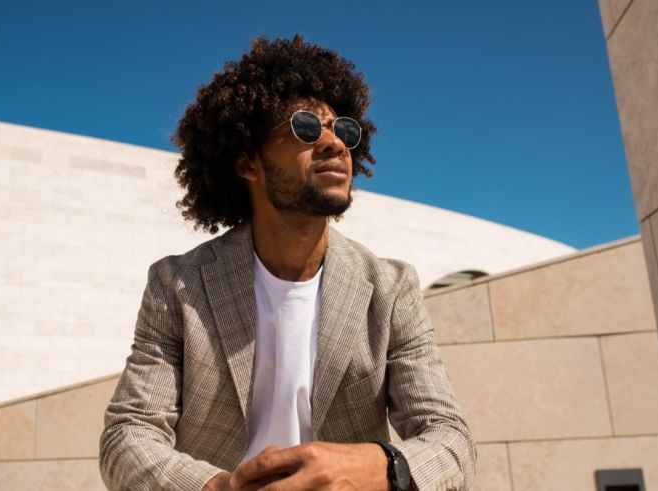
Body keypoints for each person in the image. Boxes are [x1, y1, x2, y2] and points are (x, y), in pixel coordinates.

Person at [99, 34, 476, 491]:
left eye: (344, 131)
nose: (335, 144)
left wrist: (382, 467)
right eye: (306, 128)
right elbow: (128, 434)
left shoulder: (390, 289)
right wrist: (219, 488)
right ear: (248, 164)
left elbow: (451, 439)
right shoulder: (178, 285)